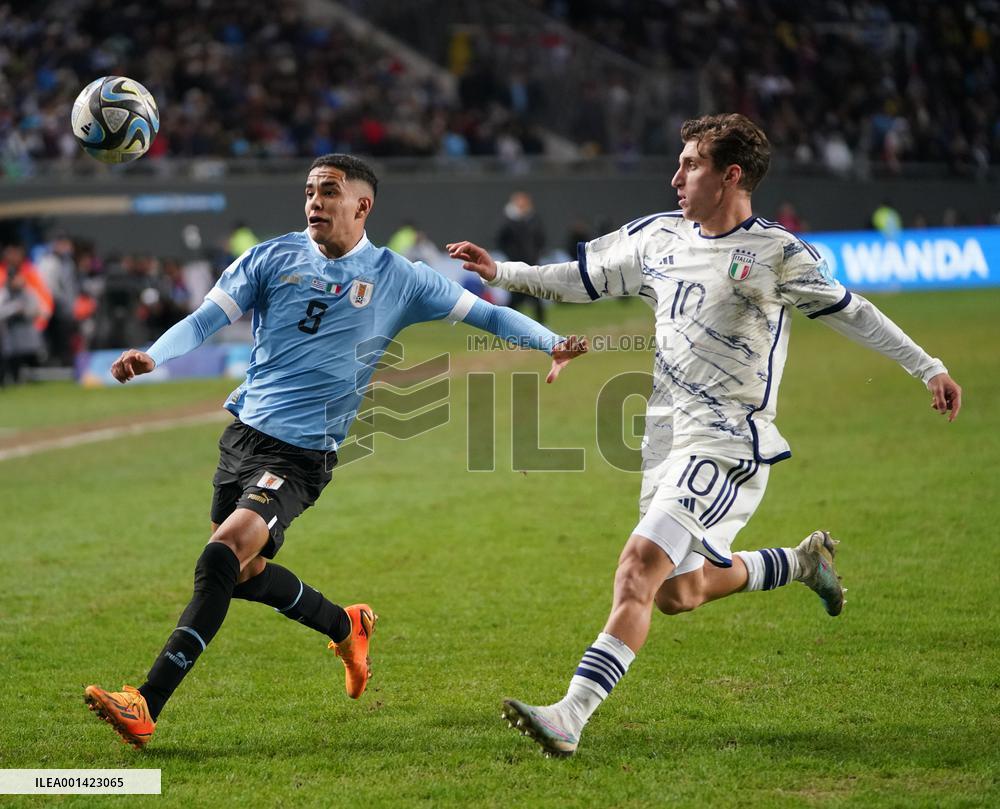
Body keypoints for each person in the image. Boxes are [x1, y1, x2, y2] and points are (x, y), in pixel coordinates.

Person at [447, 113, 962, 758]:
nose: (676, 176)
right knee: (676, 593)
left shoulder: (777, 254)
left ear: (731, 175)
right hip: (664, 437)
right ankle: (802, 562)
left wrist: (928, 366)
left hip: (728, 442)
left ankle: (569, 716)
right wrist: (504, 273)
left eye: (690, 163)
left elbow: (853, 313)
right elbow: (584, 278)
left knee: (638, 564)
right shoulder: (659, 236)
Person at [84, 154, 587, 749]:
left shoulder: (400, 276)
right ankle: (345, 625)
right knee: (243, 575)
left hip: (302, 455)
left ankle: (147, 700)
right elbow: (204, 320)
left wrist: (553, 342)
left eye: (329, 192)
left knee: (220, 557)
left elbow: (486, 314)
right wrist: (154, 354)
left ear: (362, 206)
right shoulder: (271, 257)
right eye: (309, 191)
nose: (315, 202)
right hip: (243, 435)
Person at [496, 191, 547, 324]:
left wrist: (537, 254)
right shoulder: (508, 220)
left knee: (536, 295)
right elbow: (500, 240)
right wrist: (511, 255)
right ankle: (505, 323)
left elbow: (540, 238)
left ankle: (542, 326)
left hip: (531, 263)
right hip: (515, 264)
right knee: (516, 297)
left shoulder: (533, 218)